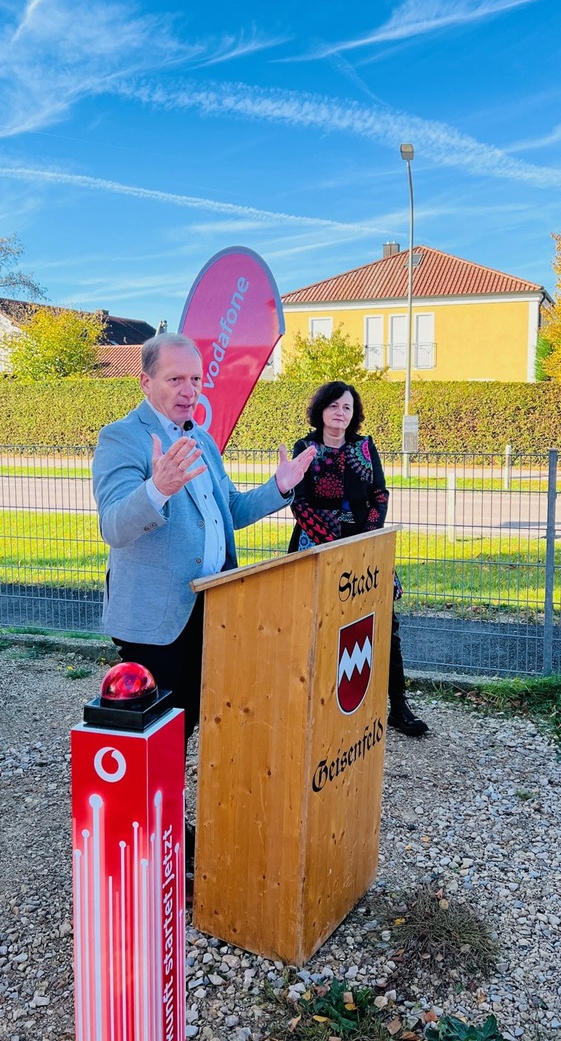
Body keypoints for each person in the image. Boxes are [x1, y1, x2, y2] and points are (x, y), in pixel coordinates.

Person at [92, 333, 316, 880]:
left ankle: (171, 826)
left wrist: (280, 488)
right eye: (176, 379)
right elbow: (115, 526)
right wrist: (157, 489)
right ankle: (150, 842)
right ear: (145, 381)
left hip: (214, 612)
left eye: (196, 379)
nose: (189, 390)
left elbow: (231, 511)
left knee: (191, 726)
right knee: (158, 735)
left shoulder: (204, 441)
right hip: (157, 623)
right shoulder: (121, 439)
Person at [288, 380, 429, 738]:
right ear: (321, 410)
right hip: (317, 544)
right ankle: (312, 705)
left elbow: (379, 493)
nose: (340, 413)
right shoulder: (304, 447)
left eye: (347, 408)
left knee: (383, 624)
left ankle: (398, 706)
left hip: (366, 543)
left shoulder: (365, 447)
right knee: (315, 624)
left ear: (354, 414)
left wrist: (367, 538)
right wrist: (332, 540)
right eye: (334, 406)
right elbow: (298, 500)